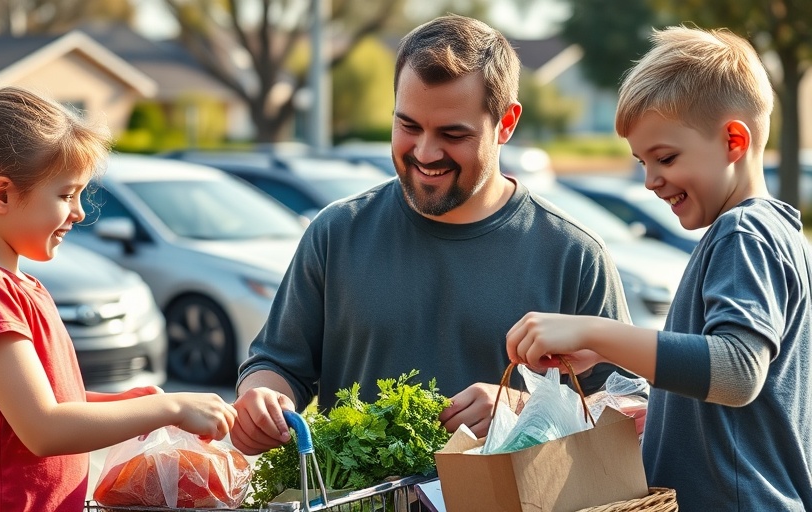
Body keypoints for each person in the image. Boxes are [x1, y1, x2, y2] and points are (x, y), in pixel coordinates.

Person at [231, 13, 632, 456]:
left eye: (452, 134)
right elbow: (276, 364)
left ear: (507, 123)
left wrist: (521, 405)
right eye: (408, 126)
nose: (425, 152)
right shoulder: (336, 233)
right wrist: (262, 400)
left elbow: (626, 410)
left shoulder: (573, 254)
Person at [506, 26, 812, 510]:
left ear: (734, 140)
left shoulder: (744, 234)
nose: (650, 181)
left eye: (665, 158)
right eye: (641, 162)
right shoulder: (769, 231)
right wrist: (608, 354)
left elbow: (736, 372)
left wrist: (595, 331)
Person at [0, 86, 238, 512]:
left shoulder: (13, 284)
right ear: (1, 195)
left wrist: (132, 406)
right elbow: (43, 428)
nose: (80, 211)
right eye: (66, 195)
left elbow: (42, 406)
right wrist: (171, 406)